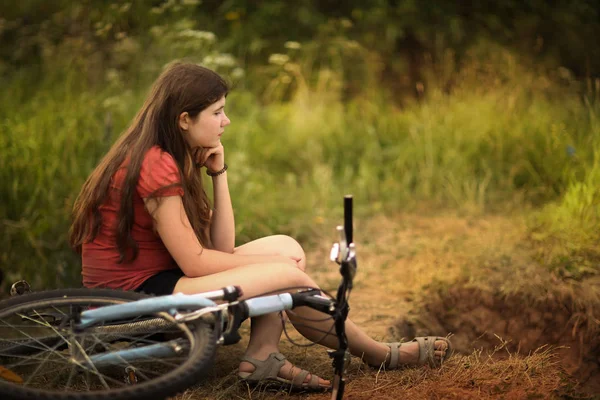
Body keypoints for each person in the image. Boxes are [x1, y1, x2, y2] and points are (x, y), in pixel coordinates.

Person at [70, 61, 451, 391]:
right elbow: (197, 265)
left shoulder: (170, 153)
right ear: (184, 119)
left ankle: (263, 355)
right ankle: (379, 354)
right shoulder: (157, 165)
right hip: (137, 298)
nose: (226, 121)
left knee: (287, 248)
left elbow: (218, 247)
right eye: (217, 112)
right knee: (287, 274)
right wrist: (273, 273)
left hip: (161, 277)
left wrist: (219, 174)